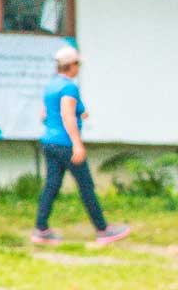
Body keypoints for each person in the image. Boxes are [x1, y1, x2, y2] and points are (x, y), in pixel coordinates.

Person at [31, 45, 130, 246]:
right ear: (71, 66)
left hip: (49, 141)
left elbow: (44, 115)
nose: (79, 68)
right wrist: (77, 144)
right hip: (65, 144)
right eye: (78, 64)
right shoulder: (69, 87)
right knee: (86, 186)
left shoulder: (51, 86)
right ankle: (103, 230)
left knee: (51, 186)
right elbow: (68, 115)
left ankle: (40, 229)